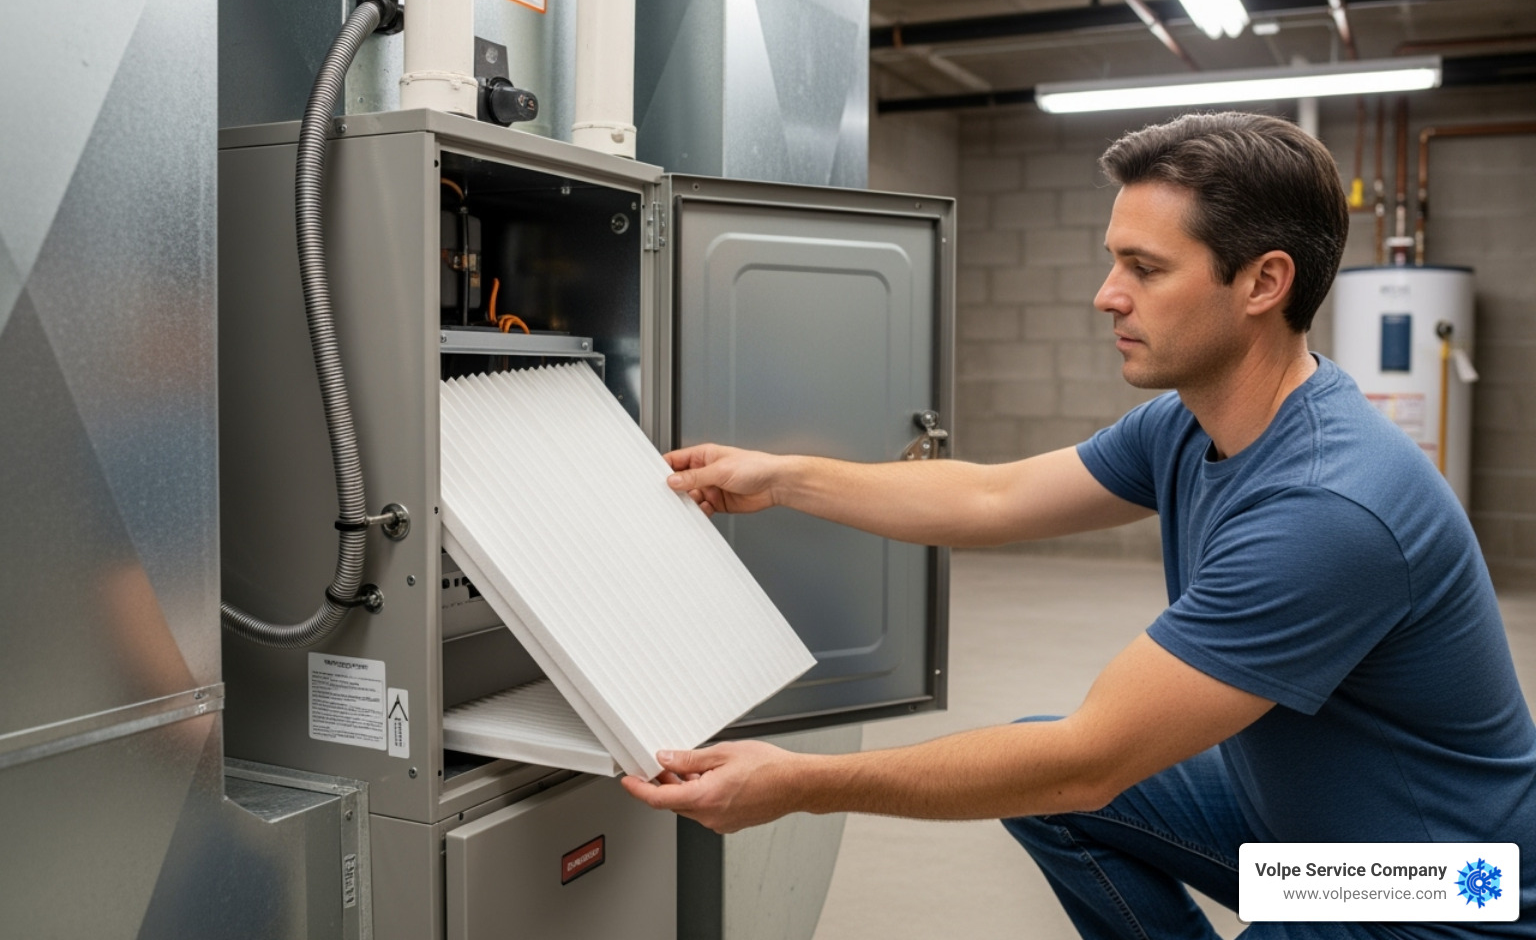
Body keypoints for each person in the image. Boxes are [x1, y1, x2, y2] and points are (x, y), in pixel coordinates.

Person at [621, 112, 1536, 939]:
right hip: (1304, 834)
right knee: (1046, 787)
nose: (1107, 294)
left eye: (1145, 268)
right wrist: (783, 478)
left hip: (1431, 894)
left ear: (1264, 282)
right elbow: (994, 497)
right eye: (1114, 261)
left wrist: (800, 784)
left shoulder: (1328, 509)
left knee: (1058, 772)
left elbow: (1087, 759)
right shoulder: (1191, 423)